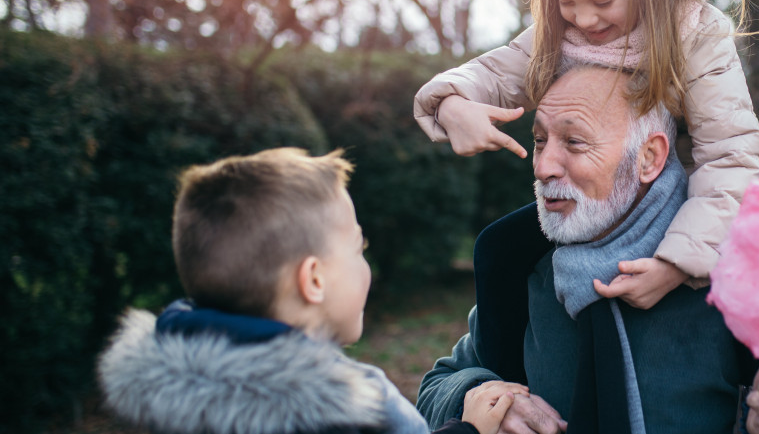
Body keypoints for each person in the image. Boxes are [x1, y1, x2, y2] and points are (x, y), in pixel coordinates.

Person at [416, 64, 759, 434]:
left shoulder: (748, 267)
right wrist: (479, 397)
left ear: (650, 157)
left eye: (574, 142)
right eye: (541, 140)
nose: (544, 165)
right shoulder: (528, 264)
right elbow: (440, 383)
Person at [413, 0, 759, 310]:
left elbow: (731, 156)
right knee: (500, 248)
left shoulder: (695, 33)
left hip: (677, 210)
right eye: (566, 0)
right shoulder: (560, 32)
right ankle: (501, 359)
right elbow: (489, 75)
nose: (583, 18)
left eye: (602, 0)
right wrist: (453, 104)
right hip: (597, 203)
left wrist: (678, 263)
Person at [97, 148, 518, 434]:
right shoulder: (358, 412)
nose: (364, 262)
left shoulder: (163, 397)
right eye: (358, 248)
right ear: (313, 280)